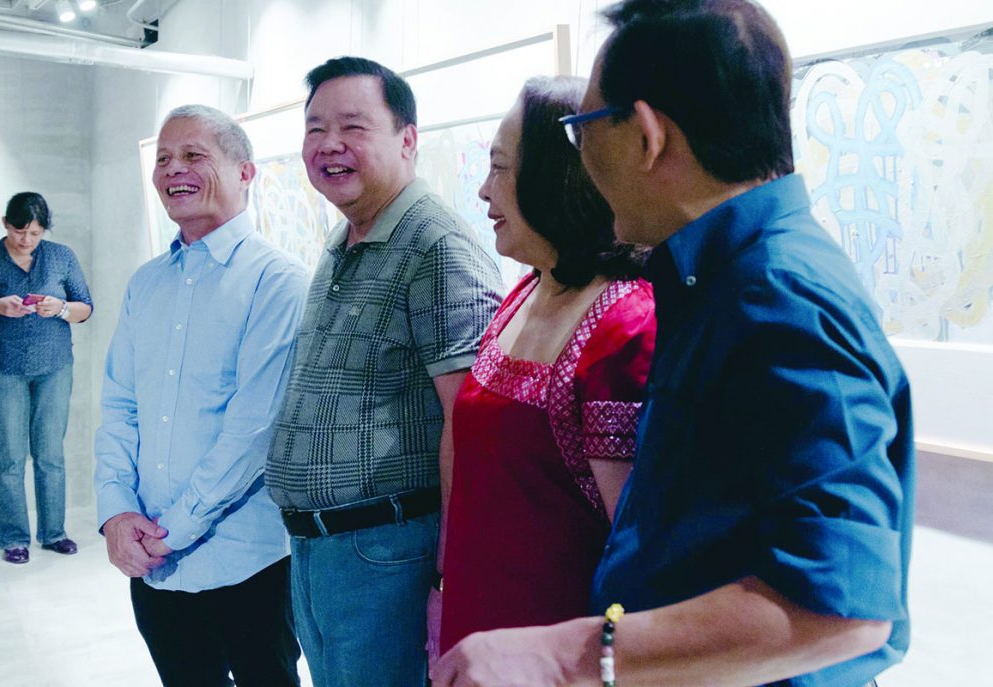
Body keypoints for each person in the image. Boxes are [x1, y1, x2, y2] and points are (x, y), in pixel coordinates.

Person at [432, 1, 914, 686]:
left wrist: (562, 655)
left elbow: (841, 610)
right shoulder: (709, 278)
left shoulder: (781, 296)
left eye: (582, 130)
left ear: (648, 136)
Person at [264, 56, 502, 687]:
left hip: (386, 553)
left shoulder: (436, 245)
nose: (329, 145)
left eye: (352, 126)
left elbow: (470, 424)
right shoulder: (345, 238)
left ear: (407, 139)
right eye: (315, 128)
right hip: (320, 552)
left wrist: (452, 579)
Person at [437, 75, 655, 657]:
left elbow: (634, 546)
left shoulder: (624, 325)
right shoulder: (524, 292)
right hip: (478, 620)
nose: (483, 192)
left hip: (552, 648)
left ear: (558, 177)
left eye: (501, 168)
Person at [94, 104, 306, 687]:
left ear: (245, 172)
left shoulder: (277, 281)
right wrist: (115, 512)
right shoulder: (146, 284)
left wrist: (168, 532)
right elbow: (119, 406)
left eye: (193, 155)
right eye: (163, 158)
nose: (172, 170)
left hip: (246, 562)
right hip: (155, 569)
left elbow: (253, 432)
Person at [0, 192, 92, 565]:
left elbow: (85, 308)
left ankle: (54, 533)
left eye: (35, 233)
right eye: (20, 231)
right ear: (5, 223)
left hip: (54, 368)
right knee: (9, 457)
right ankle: (14, 539)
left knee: (50, 454)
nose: (27, 240)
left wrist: (61, 307)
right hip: (4, 369)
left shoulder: (61, 256)